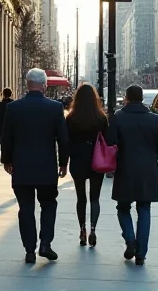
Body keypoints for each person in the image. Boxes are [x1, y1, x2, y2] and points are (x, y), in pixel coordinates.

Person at [1, 68, 70, 263]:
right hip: (46, 167)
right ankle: (45, 243)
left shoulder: (13, 108)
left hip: (22, 167)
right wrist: (63, 163)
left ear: (27, 84)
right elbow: (63, 139)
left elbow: (6, 138)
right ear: (44, 85)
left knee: (26, 208)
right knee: (48, 204)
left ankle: (29, 250)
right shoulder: (55, 108)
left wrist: (7, 160)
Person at [106, 85, 158, 266]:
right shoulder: (154, 119)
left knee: (123, 208)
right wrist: (150, 158)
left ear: (127, 98)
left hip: (125, 169)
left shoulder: (118, 118)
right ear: (142, 99)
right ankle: (141, 253)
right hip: (148, 170)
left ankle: (130, 240)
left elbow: (110, 142)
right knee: (144, 210)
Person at [65, 83, 108, 247]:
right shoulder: (101, 118)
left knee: (80, 197)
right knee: (95, 198)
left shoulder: (71, 118)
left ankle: (82, 229)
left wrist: (63, 161)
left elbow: (66, 141)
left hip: (78, 160)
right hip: (97, 160)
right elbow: (107, 140)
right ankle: (93, 229)